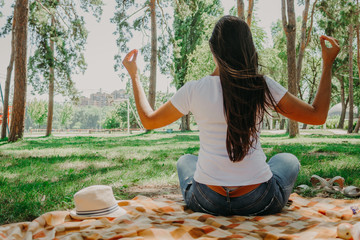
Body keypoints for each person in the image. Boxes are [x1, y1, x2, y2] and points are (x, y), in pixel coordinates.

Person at [122, 15, 340, 216]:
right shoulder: (261, 86)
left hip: (207, 200)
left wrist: (135, 76)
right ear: (248, 48)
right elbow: (318, 115)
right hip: (258, 200)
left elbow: (148, 120)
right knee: (287, 160)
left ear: (213, 50)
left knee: (185, 161)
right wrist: (328, 63)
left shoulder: (194, 90)